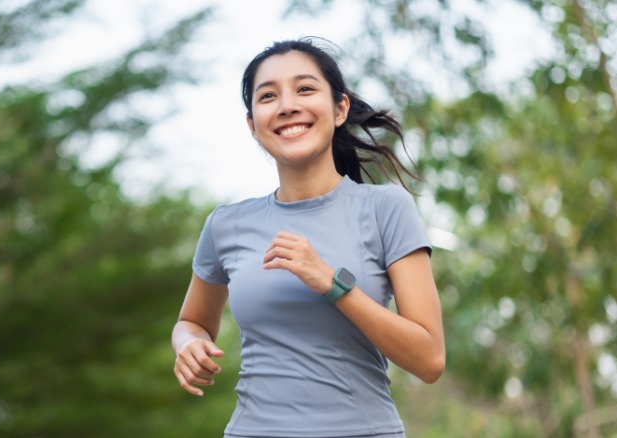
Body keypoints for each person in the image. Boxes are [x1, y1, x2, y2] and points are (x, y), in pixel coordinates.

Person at [172, 37, 445, 438]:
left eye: (304, 89)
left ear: (339, 109)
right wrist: (187, 344)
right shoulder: (226, 224)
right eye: (268, 96)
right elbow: (191, 321)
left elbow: (430, 359)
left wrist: (333, 284)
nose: (287, 105)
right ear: (253, 125)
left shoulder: (386, 208)